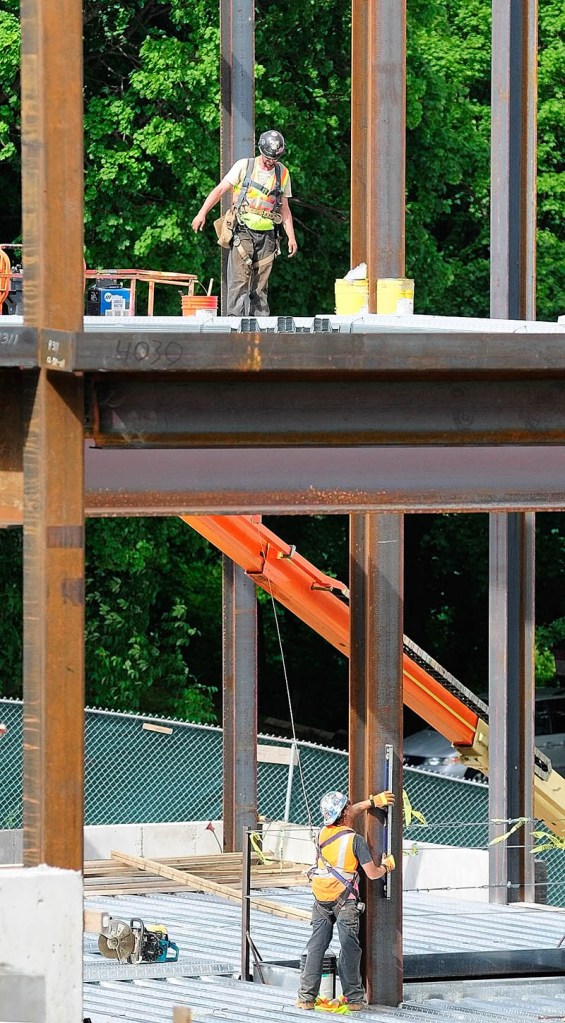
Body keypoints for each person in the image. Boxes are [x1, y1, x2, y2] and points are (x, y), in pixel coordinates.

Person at [296, 789, 396, 1012]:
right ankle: (354, 1000)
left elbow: (349, 811)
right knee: (350, 948)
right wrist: (387, 866)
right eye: (348, 805)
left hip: (321, 898)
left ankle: (305, 998)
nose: (352, 807)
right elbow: (372, 873)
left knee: (316, 947)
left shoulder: (323, 832)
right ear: (345, 813)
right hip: (345, 900)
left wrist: (371, 802)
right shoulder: (355, 840)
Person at [191, 129, 297, 316]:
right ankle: (234, 324)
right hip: (243, 231)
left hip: (267, 236)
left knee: (260, 287)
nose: (270, 162)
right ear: (261, 152)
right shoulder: (245, 166)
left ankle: (260, 327)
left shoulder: (282, 173)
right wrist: (202, 213)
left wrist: (291, 237)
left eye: (274, 158)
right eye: (267, 158)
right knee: (239, 282)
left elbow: (284, 208)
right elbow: (219, 190)